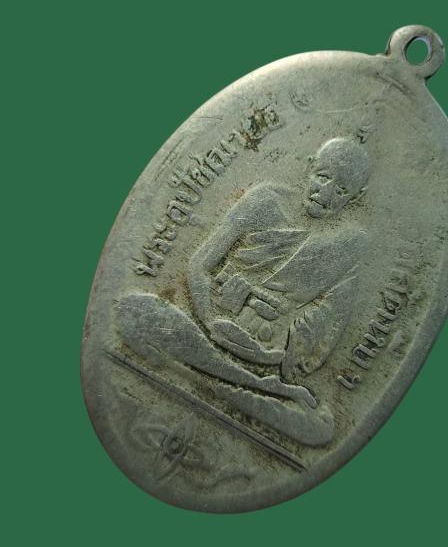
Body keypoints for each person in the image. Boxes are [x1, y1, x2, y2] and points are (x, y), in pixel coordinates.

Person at [115, 137, 370, 446]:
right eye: (323, 177)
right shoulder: (265, 200)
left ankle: (221, 380)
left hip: (264, 357)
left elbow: (328, 328)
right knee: (134, 310)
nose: (325, 194)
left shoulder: (349, 246)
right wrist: (211, 318)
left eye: (341, 190)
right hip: (203, 330)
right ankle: (246, 389)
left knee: (321, 428)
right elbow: (199, 265)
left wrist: (277, 330)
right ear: (309, 167)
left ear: (357, 197)